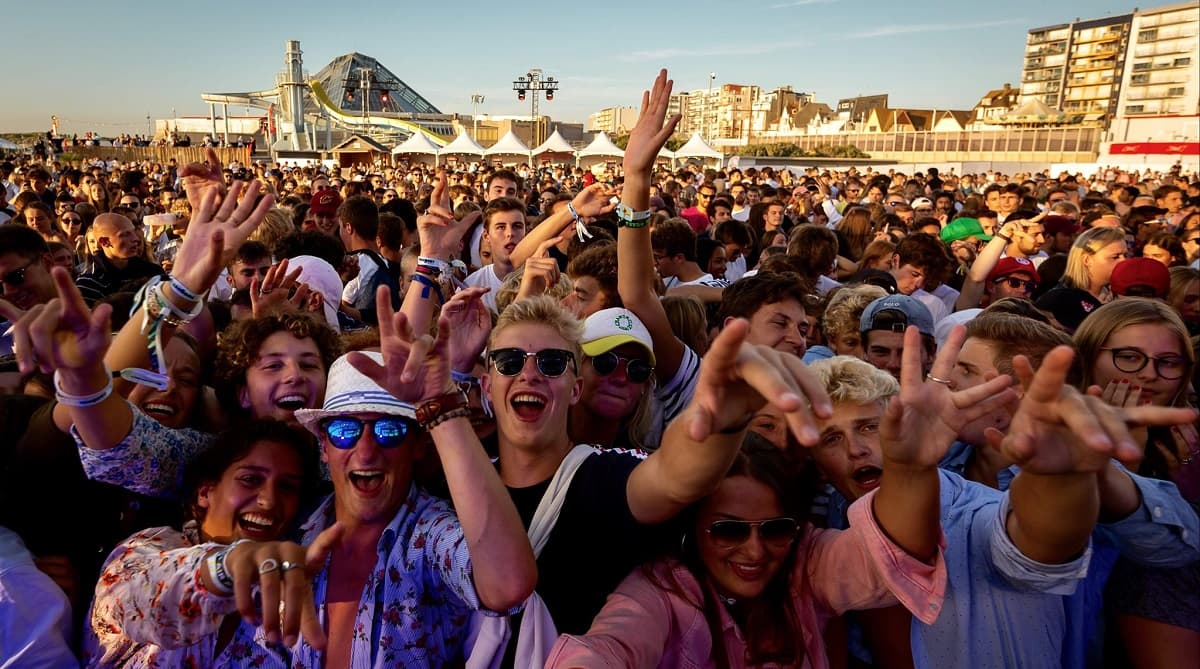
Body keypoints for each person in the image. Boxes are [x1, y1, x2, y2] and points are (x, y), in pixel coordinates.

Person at [805, 331, 1198, 669]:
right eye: (832, 438)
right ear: (815, 463)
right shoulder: (820, 532)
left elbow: (1034, 549)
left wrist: (1058, 477)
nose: (856, 449)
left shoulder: (966, 509)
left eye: (869, 426)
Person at [546, 432, 947, 668]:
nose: (755, 551)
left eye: (775, 528)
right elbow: (610, 646)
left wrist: (912, 470)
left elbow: (890, 558)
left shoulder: (804, 558)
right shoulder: (662, 591)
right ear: (693, 526)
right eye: (729, 530)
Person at [83, 421, 332, 667]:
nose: (269, 501)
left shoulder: (291, 595)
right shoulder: (146, 549)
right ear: (205, 492)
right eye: (250, 479)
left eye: (287, 487)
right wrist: (226, 567)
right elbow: (139, 599)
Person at [1057, 225, 1128, 303]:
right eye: (1115, 257)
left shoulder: (1119, 295)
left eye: (1125, 255)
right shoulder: (1061, 300)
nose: (1124, 261)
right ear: (1087, 260)